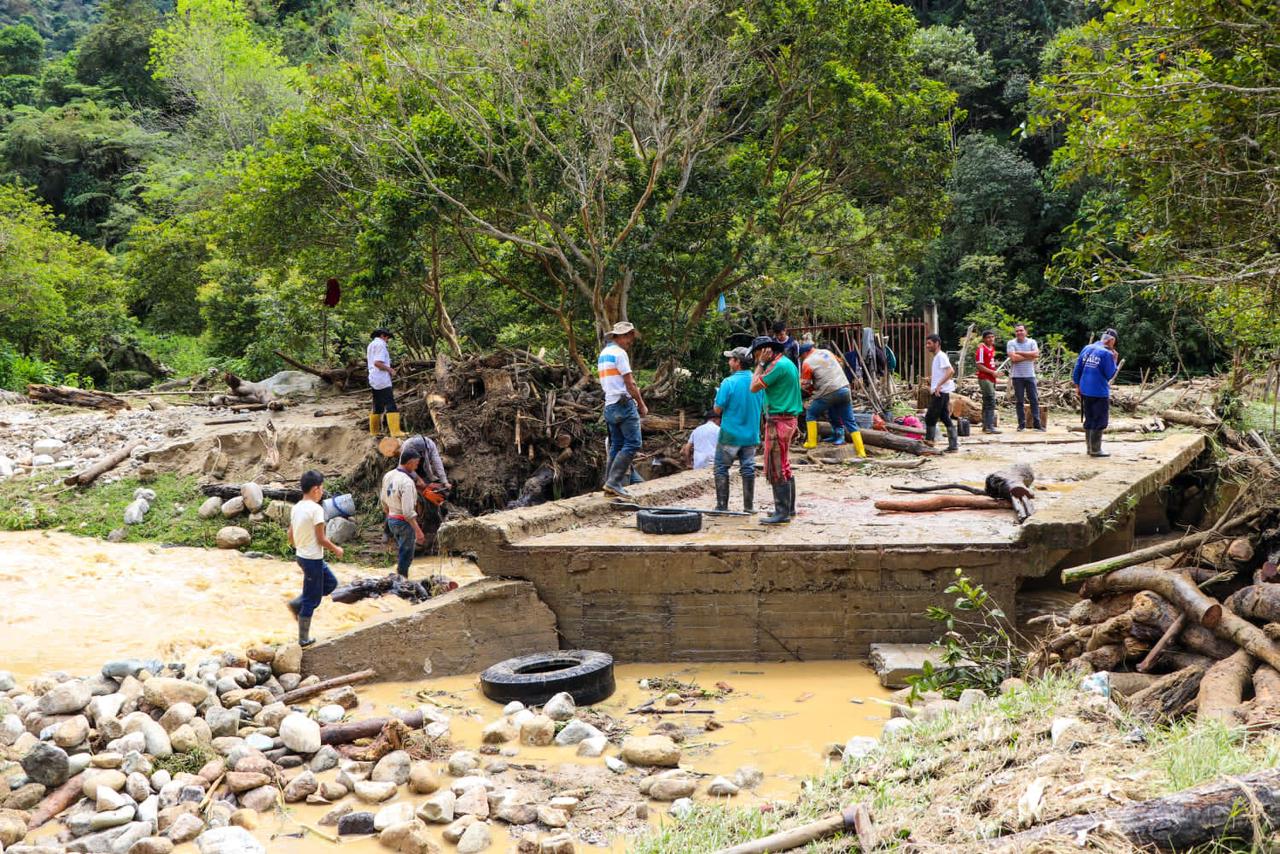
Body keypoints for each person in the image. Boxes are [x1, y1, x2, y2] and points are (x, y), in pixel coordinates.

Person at [287, 470, 343, 647]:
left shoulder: (297, 507)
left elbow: (290, 533)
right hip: (312, 559)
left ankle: (297, 603)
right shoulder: (316, 510)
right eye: (321, 488)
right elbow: (321, 538)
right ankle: (303, 638)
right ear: (315, 489)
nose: (322, 492)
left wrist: (297, 545)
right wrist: (336, 549)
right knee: (312, 600)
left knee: (331, 583)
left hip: (303, 556)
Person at [750, 335, 802, 524]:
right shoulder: (786, 363)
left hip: (779, 420)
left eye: (757, 354)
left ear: (765, 351)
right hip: (786, 419)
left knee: (776, 466)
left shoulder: (776, 366)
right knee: (784, 464)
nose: (756, 358)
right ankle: (789, 508)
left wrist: (761, 364)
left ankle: (782, 512)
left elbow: (754, 386)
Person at [598, 321, 649, 497]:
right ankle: (614, 482)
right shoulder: (620, 354)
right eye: (629, 337)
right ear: (621, 336)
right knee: (634, 443)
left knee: (617, 444)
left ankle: (609, 483)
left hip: (610, 404)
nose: (631, 341)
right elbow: (630, 383)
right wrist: (641, 404)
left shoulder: (604, 354)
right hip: (623, 404)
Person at [713, 346, 764, 512]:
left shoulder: (728, 382)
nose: (729, 362)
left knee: (721, 468)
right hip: (751, 434)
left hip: (731, 435)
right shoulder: (758, 382)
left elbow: (717, 410)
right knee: (748, 469)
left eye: (731, 359)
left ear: (737, 362)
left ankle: (722, 506)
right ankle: (748, 507)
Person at [1073, 328, 1120, 457]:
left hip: (1085, 389)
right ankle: (1096, 449)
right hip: (1099, 391)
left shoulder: (1087, 348)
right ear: (1111, 340)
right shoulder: (1107, 354)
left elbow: (1077, 368)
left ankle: (1089, 448)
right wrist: (1115, 360)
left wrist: (1077, 385)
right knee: (1100, 420)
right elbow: (1110, 374)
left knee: (1089, 418)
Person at [800, 342, 858, 446]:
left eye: (801, 356)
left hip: (830, 391)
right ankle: (859, 450)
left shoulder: (807, 362)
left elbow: (806, 384)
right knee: (845, 418)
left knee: (811, 413)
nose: (801, 358)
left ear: (805, 353)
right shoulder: (826, 352)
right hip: (844, 387)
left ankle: (811, 443)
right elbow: (840, 362)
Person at [382, 448, 425, 577]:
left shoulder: (388, 475)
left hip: (391, 520)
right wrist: (418, 531)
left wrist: (389, 517)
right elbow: (408, 512)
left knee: (401, 550)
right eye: (416, 463)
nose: (417, 466)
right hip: (403, 522)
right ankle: (402, 581)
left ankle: (398, 578)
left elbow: (383, 500)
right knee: (406, 555)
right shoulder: (407, 482)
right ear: (410, 462)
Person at [367, 328, 404, 437]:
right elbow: (378, 363)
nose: (388, 340)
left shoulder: (371, 344)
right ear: (383, 335)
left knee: (378, 405)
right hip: (381, 379)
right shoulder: (381, 345)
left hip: (374, 378)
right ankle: (395, 432)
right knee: (390, 404)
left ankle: (374, 431)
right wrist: (390, 370)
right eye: (387, 337)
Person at [925, 334, 959, 453]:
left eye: (929, 343)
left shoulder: (941, 356)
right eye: (927, 343)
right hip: (941, 391)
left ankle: (929, 443)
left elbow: (951, 371)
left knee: (930, 417)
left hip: (940, 392)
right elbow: (944, 372)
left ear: (937, 344)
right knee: (944, 417)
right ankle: (953, 445)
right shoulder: (937, 357)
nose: (927, 346)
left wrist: (938, 385)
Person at [1007, 324, 1044, 432]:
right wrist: (1029, 356)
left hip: (1030, 376)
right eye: (1017, 331)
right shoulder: (1011, 343)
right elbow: (1013, 358)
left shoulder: (1032, 342)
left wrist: (1019, 353)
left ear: (1026, 332)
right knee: (1019, 401)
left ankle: (1037, 425)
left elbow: (1036, 354)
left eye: (1021, 330)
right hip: (1017, 376)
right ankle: (1021, 425)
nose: (1019, 332)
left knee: (1034, 400)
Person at [975, 329, 1002, 434]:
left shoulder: (992, 348)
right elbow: (979, 365)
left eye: (992, 337)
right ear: (984, 339)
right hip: (985, 378)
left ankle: (986, 425)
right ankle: (989, 426)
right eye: (988, 337)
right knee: (990, 400)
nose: (991, 339)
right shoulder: (982, 349)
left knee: (987, 401)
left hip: (991, 377)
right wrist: (992, 372)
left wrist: (995, 373)